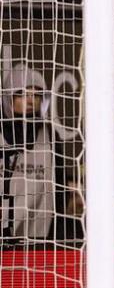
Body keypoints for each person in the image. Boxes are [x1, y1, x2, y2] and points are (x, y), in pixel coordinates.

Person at [0, 64, 64, 242]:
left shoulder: (49, 135)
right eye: (22, 93)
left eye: (36, 95)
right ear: (8, 97)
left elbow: (60, 189)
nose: (30, 100)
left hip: (38, 243)